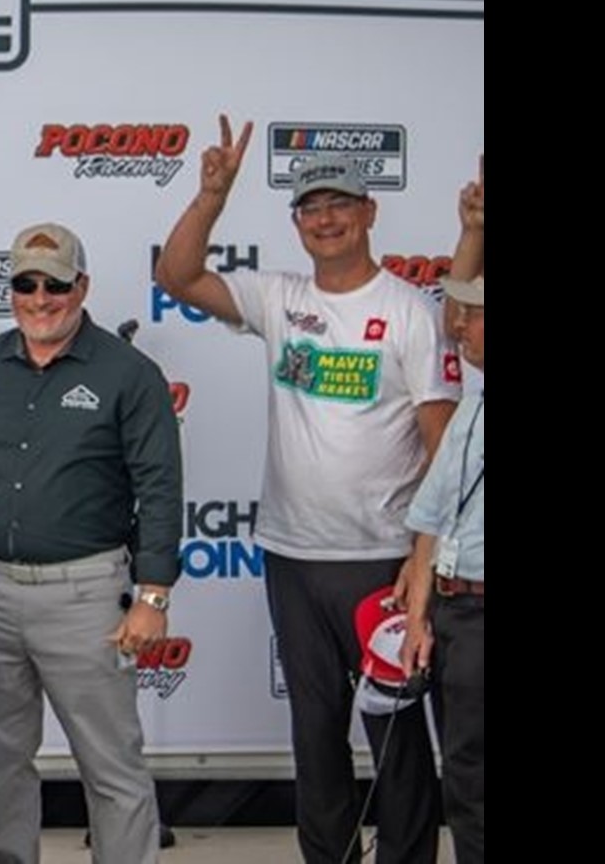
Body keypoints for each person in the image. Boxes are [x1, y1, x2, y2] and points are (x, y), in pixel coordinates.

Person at [153, 119, 458, 864]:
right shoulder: (278, 297)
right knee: (315, 732)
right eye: (310, 208)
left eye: (339, 205)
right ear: (297, 222)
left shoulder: (413, 312)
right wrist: (211, 197)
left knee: (395, 735)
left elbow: (442, 448)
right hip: (292, 555)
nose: (325, 219)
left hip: (381, 560)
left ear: (369, 212)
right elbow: (179, 277)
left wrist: (421, 561)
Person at [0, 223, 180, 864]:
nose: (40, 298)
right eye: (25, 283)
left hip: (87, 596)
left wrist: (153, 596)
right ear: (10, 288)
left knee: (111, 767)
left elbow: (161, 488)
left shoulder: (130, 374)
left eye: (55, 284)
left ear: (81, 286)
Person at [402, 164, 483, 864]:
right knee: (465, 777)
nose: (461, 328)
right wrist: (420, 619)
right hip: (457, 618)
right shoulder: (470, 410)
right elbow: (430, 520)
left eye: (478, 315)